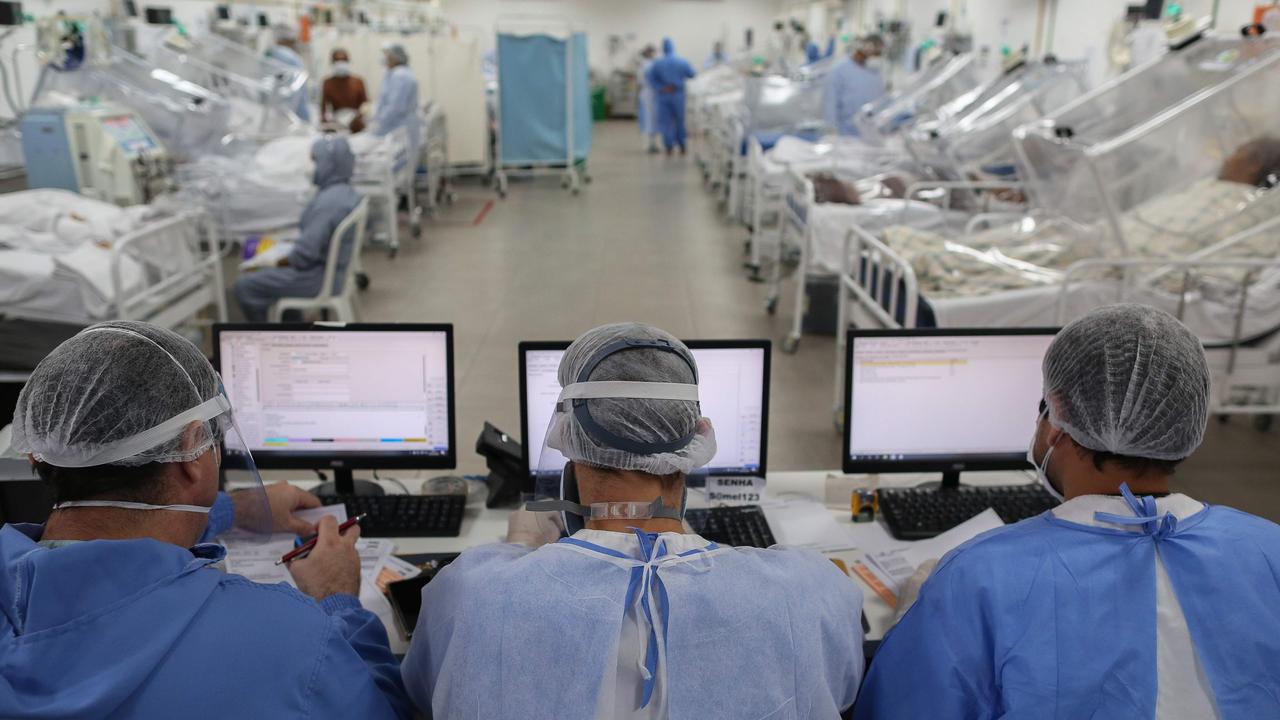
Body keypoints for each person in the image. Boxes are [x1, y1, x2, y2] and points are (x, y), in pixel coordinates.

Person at [401, 322, 864, 718]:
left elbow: (420, 692)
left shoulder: (470, 593)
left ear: (569, 444)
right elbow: (846, 690)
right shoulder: (810, 592)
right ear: (696, 443)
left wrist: (522, 558)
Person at [855, 304, 1280, 719]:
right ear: (1185, 420)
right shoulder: (1269, 549)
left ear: (1056, 419)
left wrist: (918, 616)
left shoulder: (976, 577)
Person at [0, 321, 412, 719]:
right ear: (192, 449)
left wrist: (232, 508)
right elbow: (383, 707)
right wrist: (339, 600)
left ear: (42, 447)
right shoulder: (291, 641)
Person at [234, 135, 361, 322]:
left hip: (318, 278)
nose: (312, 168)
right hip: (333, 272)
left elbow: (304, 254)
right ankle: (292, 324)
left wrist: (277, 262)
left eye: (316, 162)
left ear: (328, 164)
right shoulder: (344, 192)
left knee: (246, 286)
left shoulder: (328, 204)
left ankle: (266, 338)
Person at [823, 34, 886, 136]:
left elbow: (880, 100)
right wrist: (831, 130)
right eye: (876, 53)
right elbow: (830, 103)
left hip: (870, 134)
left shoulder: (875, 72)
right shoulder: (840, 70)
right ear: (867, 49)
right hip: (845, 133)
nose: (877, 57)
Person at [645, 39, 697, 156]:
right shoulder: (682, 61)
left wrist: (661, 87)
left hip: (664, 95)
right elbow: (692, 74)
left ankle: (668, 147)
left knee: (665, 122)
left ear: (663, 48)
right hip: (678, 95)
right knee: (680, 120)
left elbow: (650, 79)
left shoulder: (657, 63)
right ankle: (682, 145)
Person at [371, 43, 421, 158]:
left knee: (402, 164)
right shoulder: (400, 74)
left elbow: (395, 107)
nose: (385, 59)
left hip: (399, 128)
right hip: (401, 127)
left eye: (387, 56)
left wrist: (379, 126)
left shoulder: (399, 76)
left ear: (394, 57)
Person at [266, 23, 310, 122]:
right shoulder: (289, 57)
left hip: (273, 113)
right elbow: (297, 91)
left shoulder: (270, 53)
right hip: (291, 113)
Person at [321, 48, 369, 133]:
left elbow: (365, 104)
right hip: (337, 122)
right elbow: (323, 108)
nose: (340, 63)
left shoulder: (358, 81)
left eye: (343, 60)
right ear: (332, 63)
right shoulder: (327, 83)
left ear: (348, 61)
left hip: (356, 122)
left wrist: (359, 117)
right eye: (337, 60)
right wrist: (327, 122)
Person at [637, 44, 661, 153]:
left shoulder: (652, 63)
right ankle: (650, 144)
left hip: (653, 93)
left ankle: (653, 143)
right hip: (648, 93)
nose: (652, 54)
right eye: (651, 52)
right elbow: (642, 80)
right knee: (649, 119)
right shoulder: (645, 65)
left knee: (653, 118)